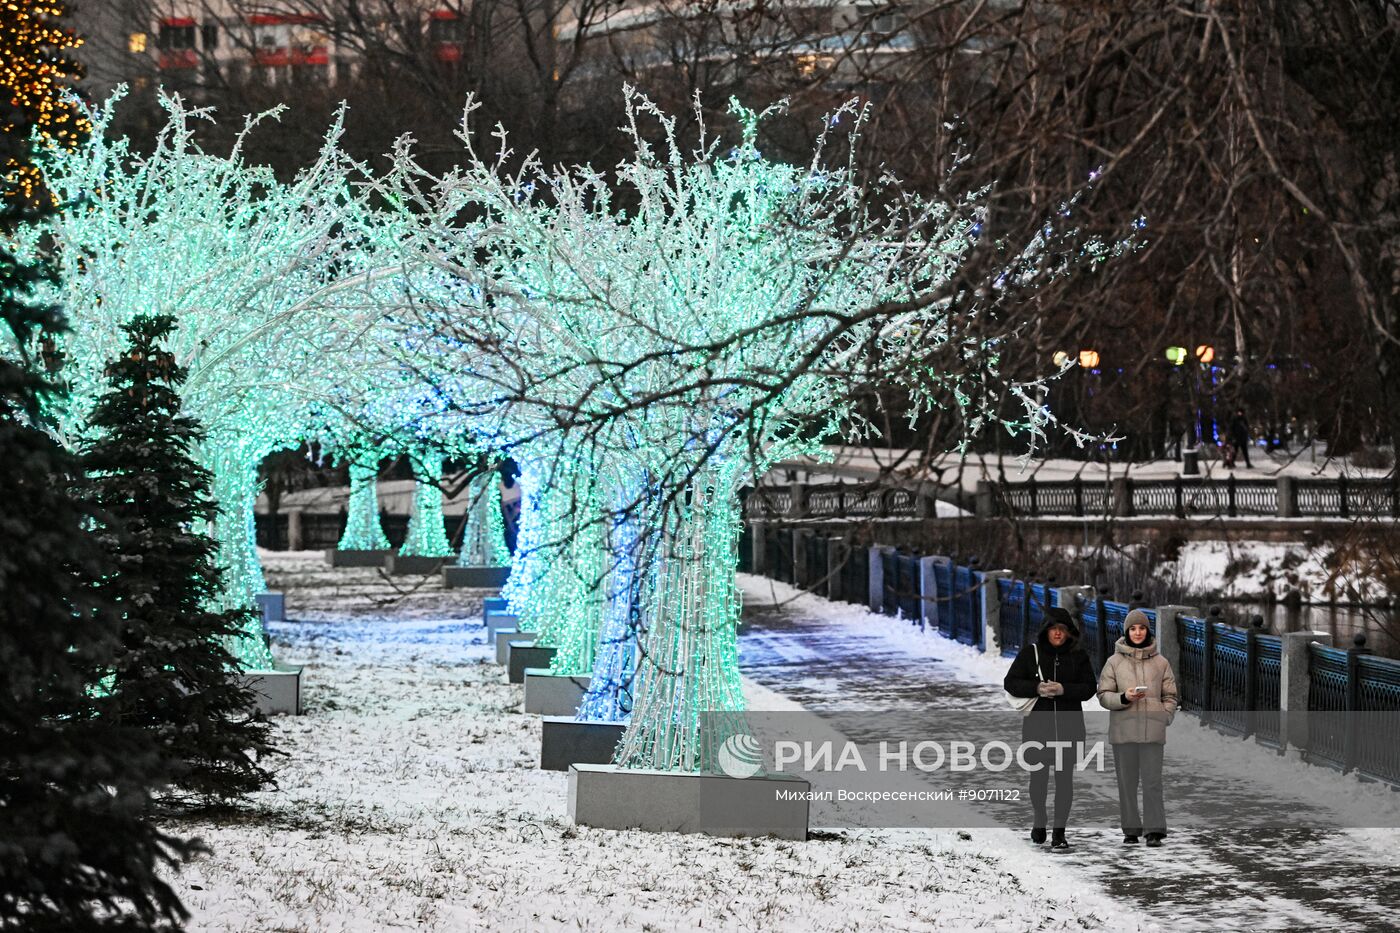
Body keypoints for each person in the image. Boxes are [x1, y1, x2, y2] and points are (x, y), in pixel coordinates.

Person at [1003, 607, 1097, 851]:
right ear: (1046, 630)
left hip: (1070, 727)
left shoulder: (1079, 657)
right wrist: (1038, 688)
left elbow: (1089, 688)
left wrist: (1064, 690)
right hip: (1038, 727)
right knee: (1039, 778)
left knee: (1065, 780)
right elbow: (1010, 682)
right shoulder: (1030, 653)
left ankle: (1059, 832)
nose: (1058, 633)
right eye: (1054, 629)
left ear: (1070, 633)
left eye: (1063, 629)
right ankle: (1039, 820)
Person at [1097, 609, 1179, 848]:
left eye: (1141, 628)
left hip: (1153, 732)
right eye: (1133, 628)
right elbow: (1103, 695)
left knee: (1153, 782)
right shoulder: (1114, 662)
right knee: (1127, 783)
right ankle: (1131, 829)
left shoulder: (1161, 662)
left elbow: (1171, 695)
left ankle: (1154, 830)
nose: (1137, 632)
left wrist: (1164, 716)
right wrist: (1124, 698)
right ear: (1126, 632)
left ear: (1147, 631)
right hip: (1123, 732)